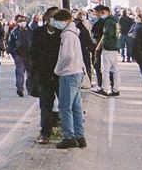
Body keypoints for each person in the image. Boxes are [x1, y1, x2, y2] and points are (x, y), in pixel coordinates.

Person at [48, 9, 87, 150]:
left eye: (57, 20)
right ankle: (80, 136)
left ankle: (69, 137)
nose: (56, 23)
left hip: (68, 73)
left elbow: (67, 56)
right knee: (76, 107)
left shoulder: (67, 35)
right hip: (77, 72)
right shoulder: (73, 33)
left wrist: (57, 70)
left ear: (66, 20)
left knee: (65, 107)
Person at [29, 8, 62, 143]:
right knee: (45, 105)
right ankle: (45, 133)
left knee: (65, 104)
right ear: (47, 18)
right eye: (53, 17)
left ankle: (68, 131)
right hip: (44, 74)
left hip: (60, 73)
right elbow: (33, 53)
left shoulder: (62, 33)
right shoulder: (38, 32)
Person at [92, 5, 120, 97]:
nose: (101, 15)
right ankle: (116, 89)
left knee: (105, 70)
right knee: (115, 70)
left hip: (108, 48)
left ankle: (105, 89)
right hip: (115, 47)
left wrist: (99, 47)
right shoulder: (115, 20)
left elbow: (106, 35)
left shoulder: (108, 22)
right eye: (100, 13)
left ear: (108, 12)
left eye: (103, 13)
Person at [6, 15, 31, 97]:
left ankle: (29, 88)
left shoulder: (30, 31)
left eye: (24, 21)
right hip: (19, 55)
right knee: (20, 72)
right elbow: (10, 44)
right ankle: (19, 88)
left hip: (29, 55)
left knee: (30, 73)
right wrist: (12, 53)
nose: (22, 22)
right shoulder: (14, 32)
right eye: (20, 21)